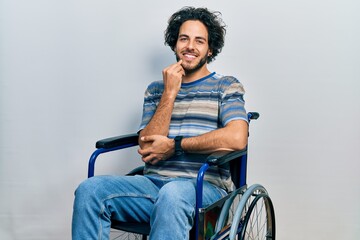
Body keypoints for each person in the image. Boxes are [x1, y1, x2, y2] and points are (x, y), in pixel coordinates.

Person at [72, 6, 249, 240]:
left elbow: (237, 138)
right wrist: (170, 93)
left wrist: (176, 146)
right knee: (90, 190)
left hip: (203, 190)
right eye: (184, 39)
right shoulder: (157, 91)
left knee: (173, 194)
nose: (190, 47)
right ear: (175, 44)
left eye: (199, 41)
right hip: (152, 186)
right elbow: (146, 148)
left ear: (210, 50)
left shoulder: (225, 86)